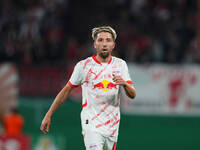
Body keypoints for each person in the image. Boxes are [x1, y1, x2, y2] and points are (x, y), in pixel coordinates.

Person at [40, 26, 136, 150]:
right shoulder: (84, 66)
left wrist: (124, 84)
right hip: (91, 122)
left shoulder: (120, 65)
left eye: (108, 40)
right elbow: (66, 91)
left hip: (112, 124)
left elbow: (132, 94)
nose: (104, 44)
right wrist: (49, 114)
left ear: (113, 45)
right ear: (95, 44)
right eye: (100, 40)